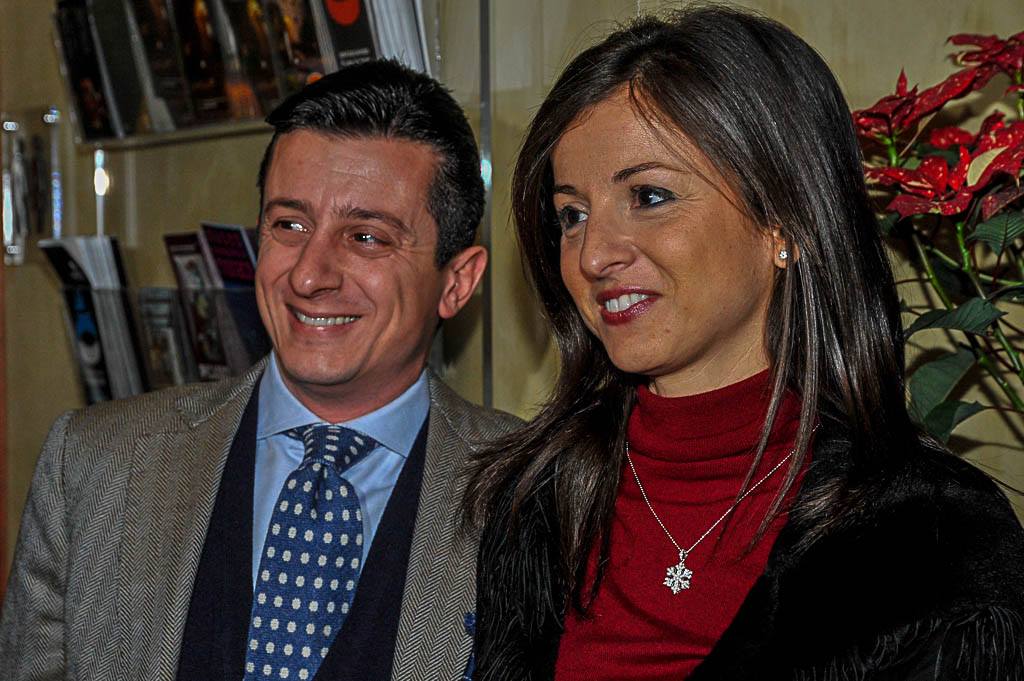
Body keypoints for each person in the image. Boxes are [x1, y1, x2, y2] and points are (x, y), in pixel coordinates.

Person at [466, 7, 1024, 681]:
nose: (592, 255)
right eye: (572, 215)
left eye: (649, 196)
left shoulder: (932, 546)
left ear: (783, 221)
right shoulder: (536, 502)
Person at [1, 59, 519, 681]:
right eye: (289, 225)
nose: (308, 275)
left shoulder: (532, 494)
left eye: (366, 237)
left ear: (457, 282)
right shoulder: (94, 464)